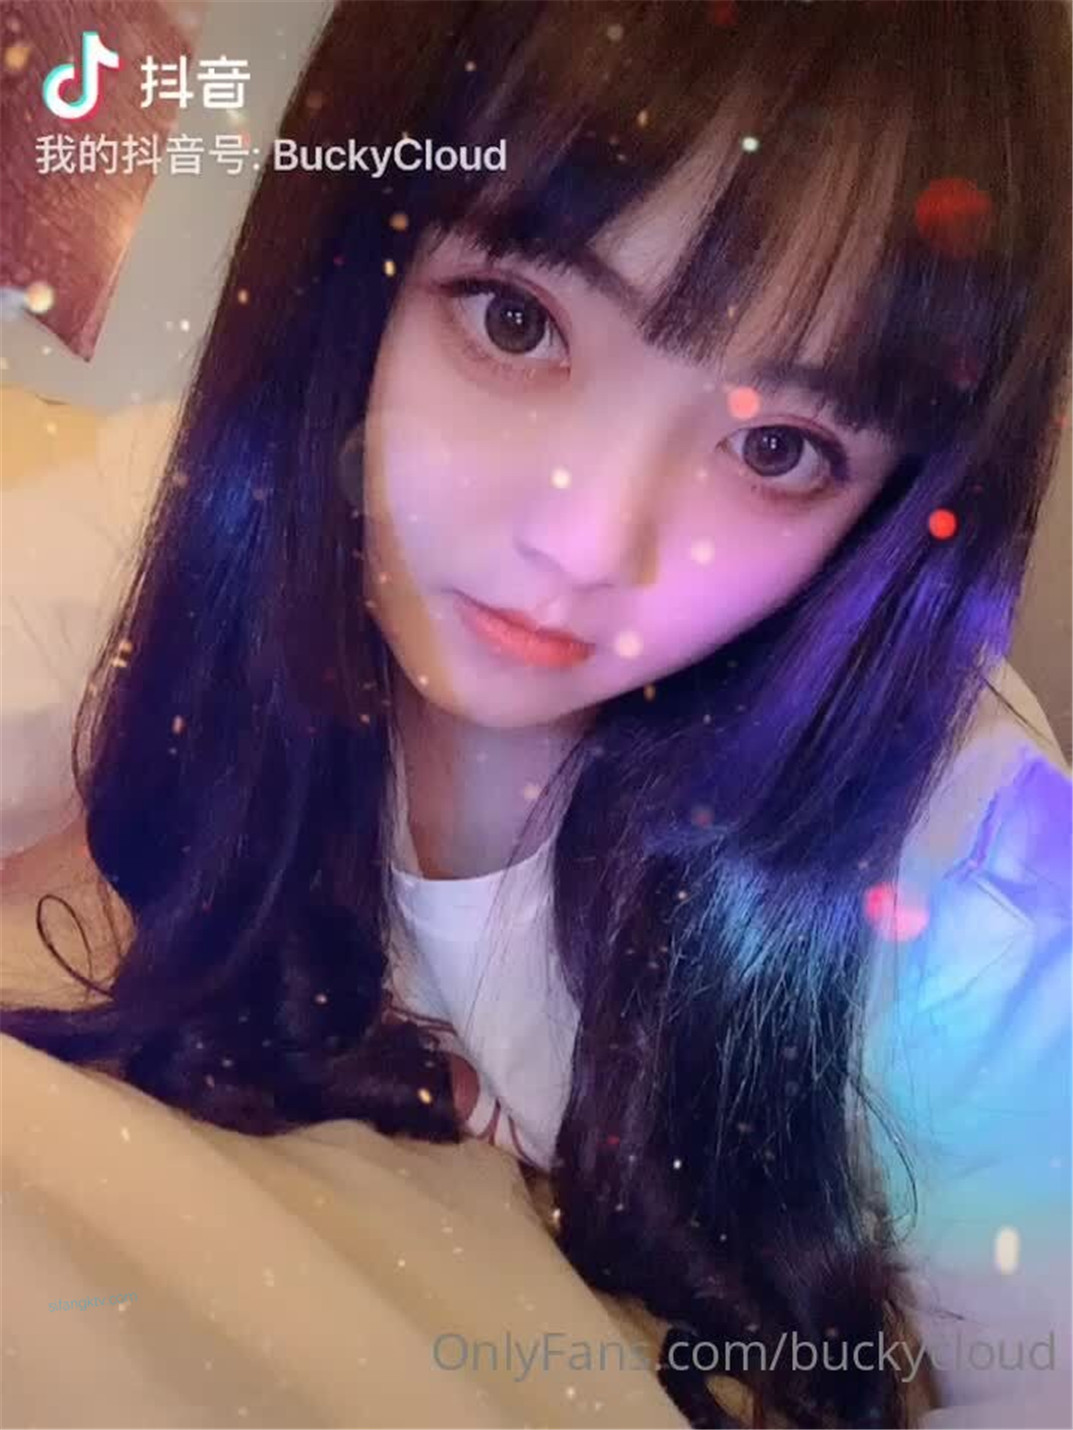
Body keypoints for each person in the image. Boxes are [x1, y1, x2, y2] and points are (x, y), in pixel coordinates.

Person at [2, 3, 1070, 1426]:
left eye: (777, 447)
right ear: (359, 270)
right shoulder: (217, 518)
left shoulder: (974, 882)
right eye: (518, 322)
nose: (585, 541)